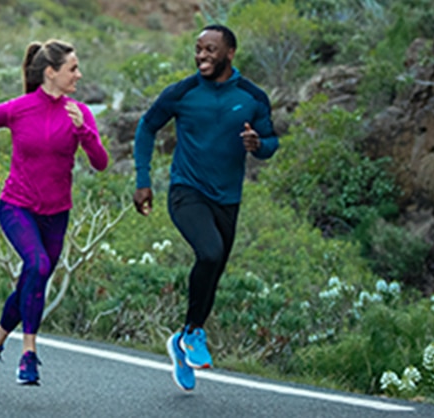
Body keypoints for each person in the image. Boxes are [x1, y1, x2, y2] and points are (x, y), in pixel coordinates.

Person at [132, 24, 279, 392]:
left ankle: (184, 339)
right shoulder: (183, 92)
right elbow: (146, 127)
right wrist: (143, 180)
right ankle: (194, 334)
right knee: (209, 252)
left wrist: (258, 144)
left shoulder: (252, 96)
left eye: (210, 50)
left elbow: (272, 141)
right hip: (187, 191)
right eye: (198, 49)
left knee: (213, 271)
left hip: (227, 198)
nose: (201, 56)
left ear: (230, 53)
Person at [0, 39, 108, 386]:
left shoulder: (80, 113)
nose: (79, 74)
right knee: (38, 265)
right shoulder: (18, 108)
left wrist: (84, 131)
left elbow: (100, 163)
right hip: (16, 206)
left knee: (34, 278)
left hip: (57, 213)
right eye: (72, 68)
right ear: (51, 72)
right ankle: (28, 355)